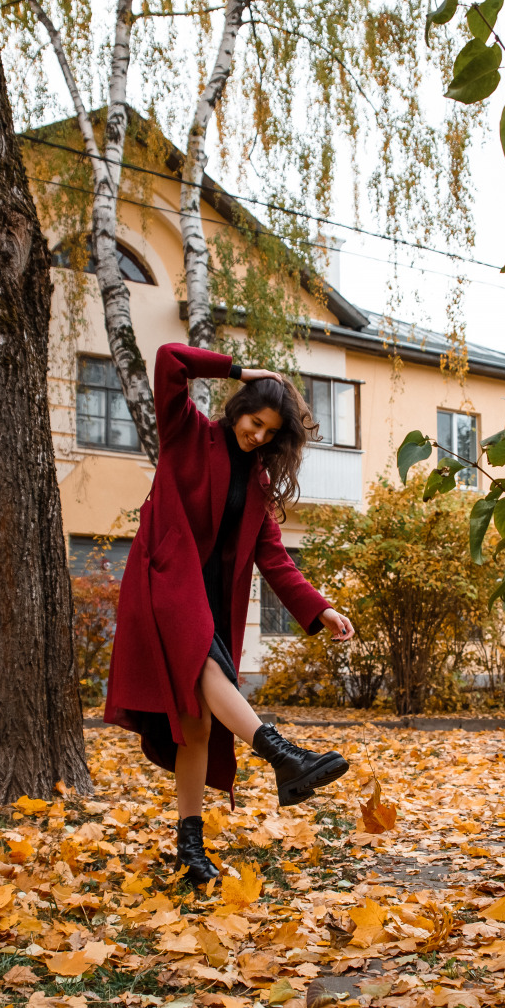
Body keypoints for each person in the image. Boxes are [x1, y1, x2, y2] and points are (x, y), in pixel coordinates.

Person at [104, 342, 356, 886]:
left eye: (270, 432)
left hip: (210, 603)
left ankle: (190, 854)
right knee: (203, 683)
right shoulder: (186, 432)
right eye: (255, 423)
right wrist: (240, 368)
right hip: (165, 585)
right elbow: (170, 358)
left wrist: (322, 610)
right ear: (238, 407)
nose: (258, 436)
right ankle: (281, 755)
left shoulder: (259, 483)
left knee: (196, 729)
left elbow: (275, 559)